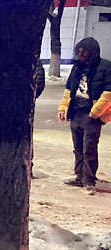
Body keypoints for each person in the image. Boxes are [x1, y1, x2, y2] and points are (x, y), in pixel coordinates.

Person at [58, 37, 111, 195]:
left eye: (84, 53)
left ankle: (89, 180)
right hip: (76, 112)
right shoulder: (77, 68)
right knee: (78, 148)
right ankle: (79, 176)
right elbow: (69, 90)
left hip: (92, 114)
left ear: (92, 53)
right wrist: (63, 108)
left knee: (89, 148)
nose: (81, 56)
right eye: (79, 52)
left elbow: (108, 94)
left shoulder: (105, 68)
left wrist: (95, 113)